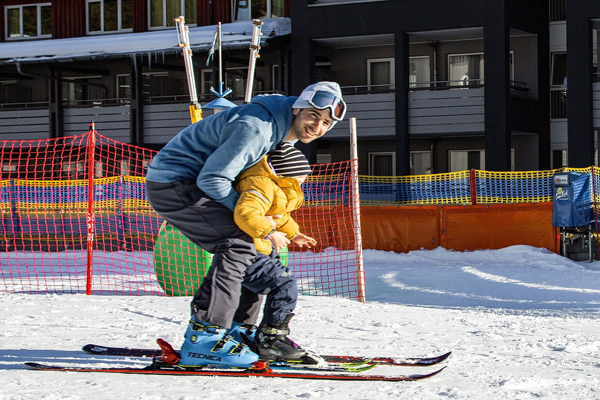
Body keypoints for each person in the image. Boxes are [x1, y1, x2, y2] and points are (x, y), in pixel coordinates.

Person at [145, 81, 346, 368]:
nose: (318, 126)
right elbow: (212, 179)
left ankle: (239, 330)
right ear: (298, 107)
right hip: (175, 183)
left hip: (193, 183)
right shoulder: (258, 129)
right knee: (239, 242)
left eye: (326, 122)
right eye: (314, 115)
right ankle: (206, 336)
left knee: (255, 245)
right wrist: (259, 220)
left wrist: (275, 225)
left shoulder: (278, 129)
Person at [229, 141, 317, 362]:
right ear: (284, 173)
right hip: (250, 250)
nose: (302, 182)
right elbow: (246, 214)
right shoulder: (260, 185)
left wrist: (294, 233)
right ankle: (271, 338)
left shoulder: (276, 188)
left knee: (252, 293)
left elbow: (281, 215)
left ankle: (241, 332)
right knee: (284, 284)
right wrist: (269, 232)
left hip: (261, 248)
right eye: (299, 178)